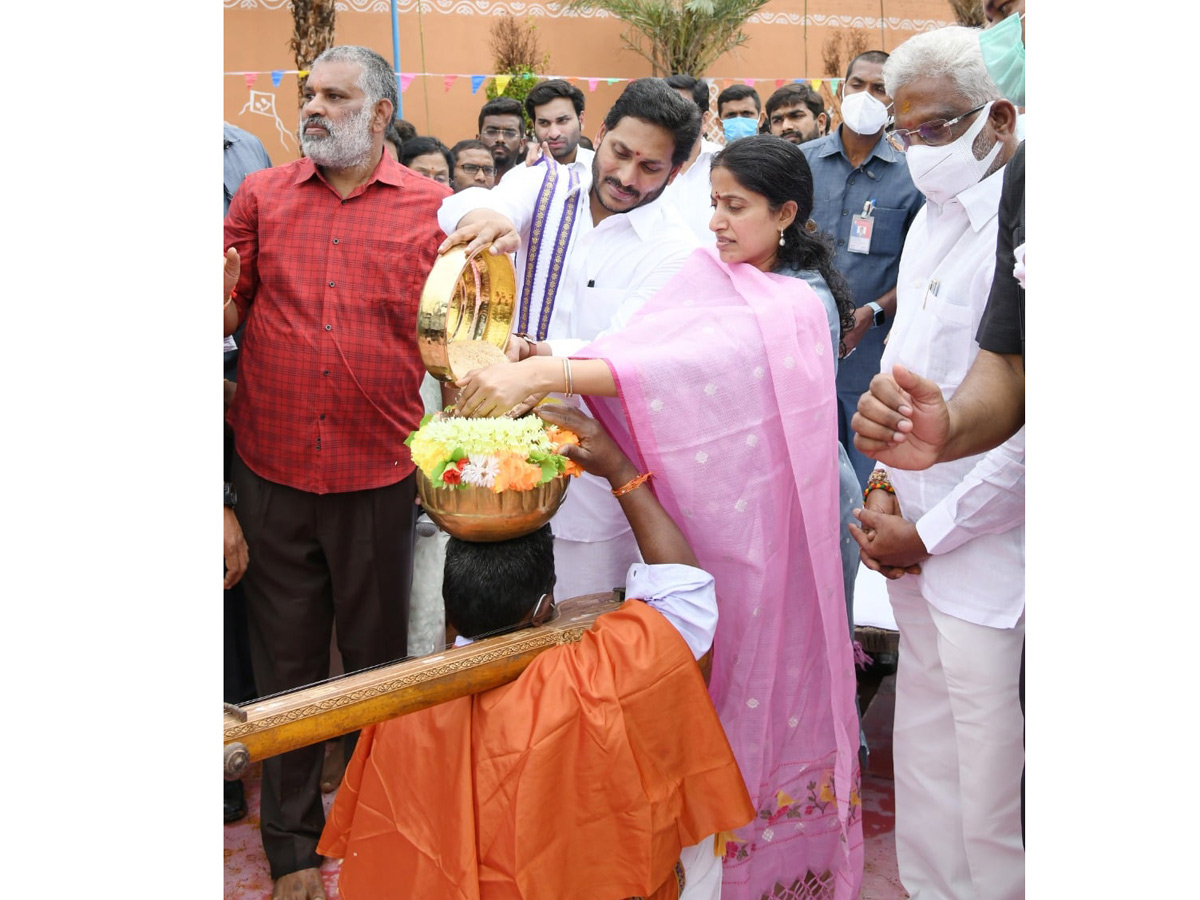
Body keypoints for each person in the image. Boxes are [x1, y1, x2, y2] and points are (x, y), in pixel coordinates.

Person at [454, 134, 864, 900]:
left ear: (786, 213)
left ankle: (763, 864)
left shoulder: (800, 302)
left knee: (761, 677)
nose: (716, 222)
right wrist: (540, 350)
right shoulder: (708, 274)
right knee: (690, 682)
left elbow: (691, 367)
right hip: (693, 522)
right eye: (711, 202)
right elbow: (639, 346)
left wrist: (551, 372)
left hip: (775, 534)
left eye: (735, 208)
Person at [317, 405, 756, 899]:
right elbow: (686, 591)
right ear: (547, 602)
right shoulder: (608, 673)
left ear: (452, 613)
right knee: (695, 846)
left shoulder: (401, 711)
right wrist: (618, 469)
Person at [223, 44, 450, 900]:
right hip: (273, 469)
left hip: (379, 474)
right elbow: (224, 296)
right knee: (284, 671)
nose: (311, 107)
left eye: (334, 96)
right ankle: (290, 855)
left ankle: (376, 833)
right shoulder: (263, 196)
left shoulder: (434, 208)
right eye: (307, 93)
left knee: (378, 668)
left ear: (381, 113)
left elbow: (464, 335)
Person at [844, 26, 1024, 900]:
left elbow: (1027, 427)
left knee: (991, 786)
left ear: (997, 117)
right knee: (923, 750)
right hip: (909, 532)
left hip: (988, 553)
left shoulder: (1023, 232)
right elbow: (898, 376)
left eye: (934, 129)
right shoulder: (931, 222)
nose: (915, 152)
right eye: (902, 133)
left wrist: (930, 530)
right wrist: (881, 484)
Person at [438, 77, 701, 602]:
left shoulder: (677, 250)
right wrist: (486, 220)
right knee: (487, 624)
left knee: (579, 629)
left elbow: (622, 351)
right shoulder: (545, 185)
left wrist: (532, 356)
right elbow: (475, 205)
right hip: (496, 454)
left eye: (650, 168)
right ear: (598, 133)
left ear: (677, 171)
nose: (626, 177)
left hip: (592, 477)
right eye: (620, 152)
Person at [799, 51, 925, 486]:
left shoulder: (913, 175)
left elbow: (921, 268)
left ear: (895, 101)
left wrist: (872, 311)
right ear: (840, 89)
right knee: (802, 468)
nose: (865, 97)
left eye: (879, 89)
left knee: (863, 470)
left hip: (870, 353)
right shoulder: (800, 163)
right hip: (797, 344)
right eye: (858, 85)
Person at [662, 74, 723, 242]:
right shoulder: (642, 167)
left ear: (704, 120)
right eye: (665, 110)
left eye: (682, 110)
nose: (672, 118)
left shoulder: (725, 162)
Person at [523, 77, 593, 169]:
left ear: (581, 120)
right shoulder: (517, 178)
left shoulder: (602, 170)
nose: (554, 134)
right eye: (544, 123)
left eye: (563, 121)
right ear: (533, 124)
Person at [476, 96, 526, 180]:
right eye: (491, 132)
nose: (500, 139)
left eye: (510, 133)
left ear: (522, 144)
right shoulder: (463, 185)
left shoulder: (532, 185)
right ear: (478, 140)